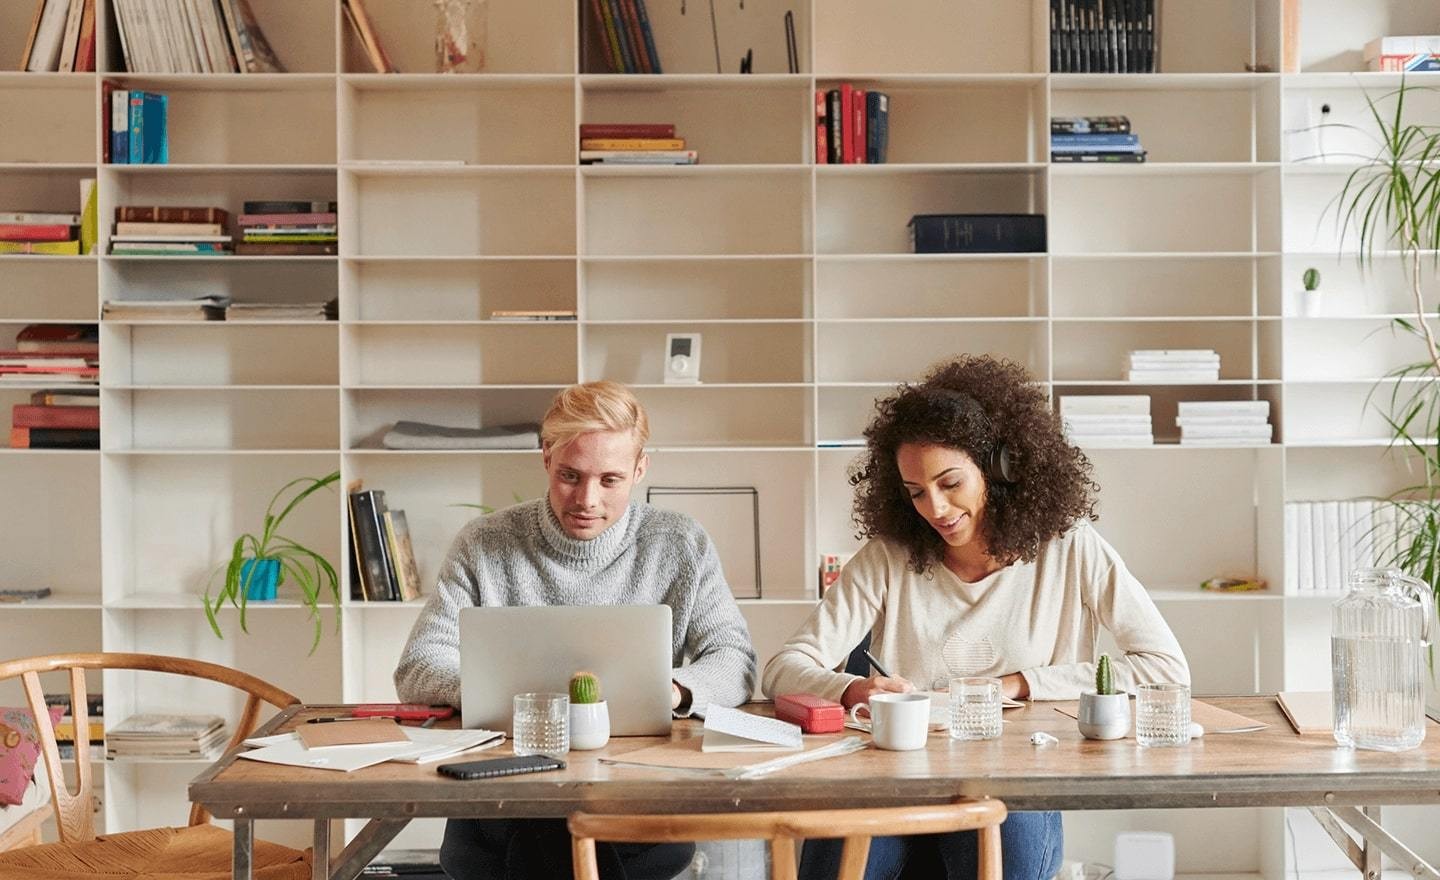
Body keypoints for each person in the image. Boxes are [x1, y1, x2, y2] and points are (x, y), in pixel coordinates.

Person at [762, 355, 1190, 880]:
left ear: (998, 467)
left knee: (1006, 854)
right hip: (899, 773)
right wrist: (855, 691)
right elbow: (784, 668)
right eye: (916, 492)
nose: (935, 508)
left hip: (1012, 775)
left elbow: (1166, 668)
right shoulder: (889, 555)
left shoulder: (1070, 549)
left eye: (950, 483)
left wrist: (1020, 683)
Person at [395, 379, 758, 880]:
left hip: (634, 797)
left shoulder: (679, 543)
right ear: (546, 458)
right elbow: (418, 666)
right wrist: (509, 696)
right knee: (547, 825)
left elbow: (735, 661)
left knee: (563, 832)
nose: (587, 499)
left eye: (610, 480)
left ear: (640, 469)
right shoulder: (485, 542)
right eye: (570, 475)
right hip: (504, 798)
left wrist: (670, 690)